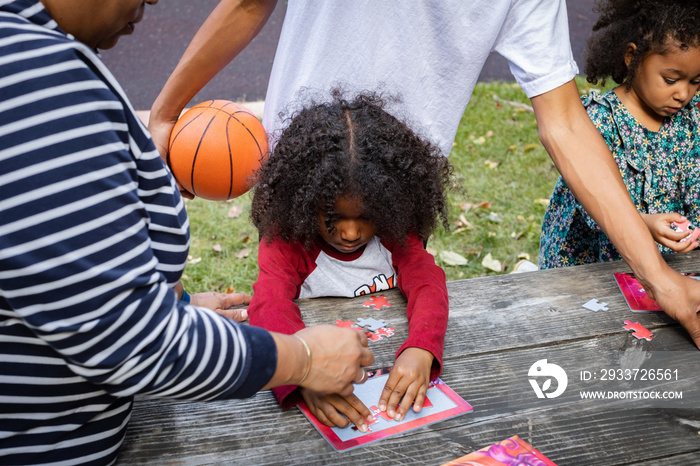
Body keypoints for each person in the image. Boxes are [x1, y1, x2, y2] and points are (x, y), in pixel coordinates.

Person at [148, 0, 700, 349]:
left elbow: (565, 124)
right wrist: (166, 113)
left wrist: (659, 276)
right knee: (290, 307)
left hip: (395, 196)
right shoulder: (305, 221)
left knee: (384, 334)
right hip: (306, 188)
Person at [0, 1, 373, 464]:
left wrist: (171, 307)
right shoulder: (34, 83)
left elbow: (52, 282)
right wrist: (304, 358)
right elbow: (130, 343)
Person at [246, 89, 451, 433]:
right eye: (332, 216)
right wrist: (300, 372)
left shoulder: (394, 232)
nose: (351, 232)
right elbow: (268, 305)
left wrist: (421, 348)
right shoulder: (289, 241)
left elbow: (428, 283)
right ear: (302, 199)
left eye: (366, 217)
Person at [539, 0, 700, 269]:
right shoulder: (599, 121)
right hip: (594, 262)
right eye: (671, 80)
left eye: (696, 81)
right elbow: (593, 202)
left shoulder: (690, 117)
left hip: (668, 256)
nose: (683, 94)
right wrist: (643, 222)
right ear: (631, 58)